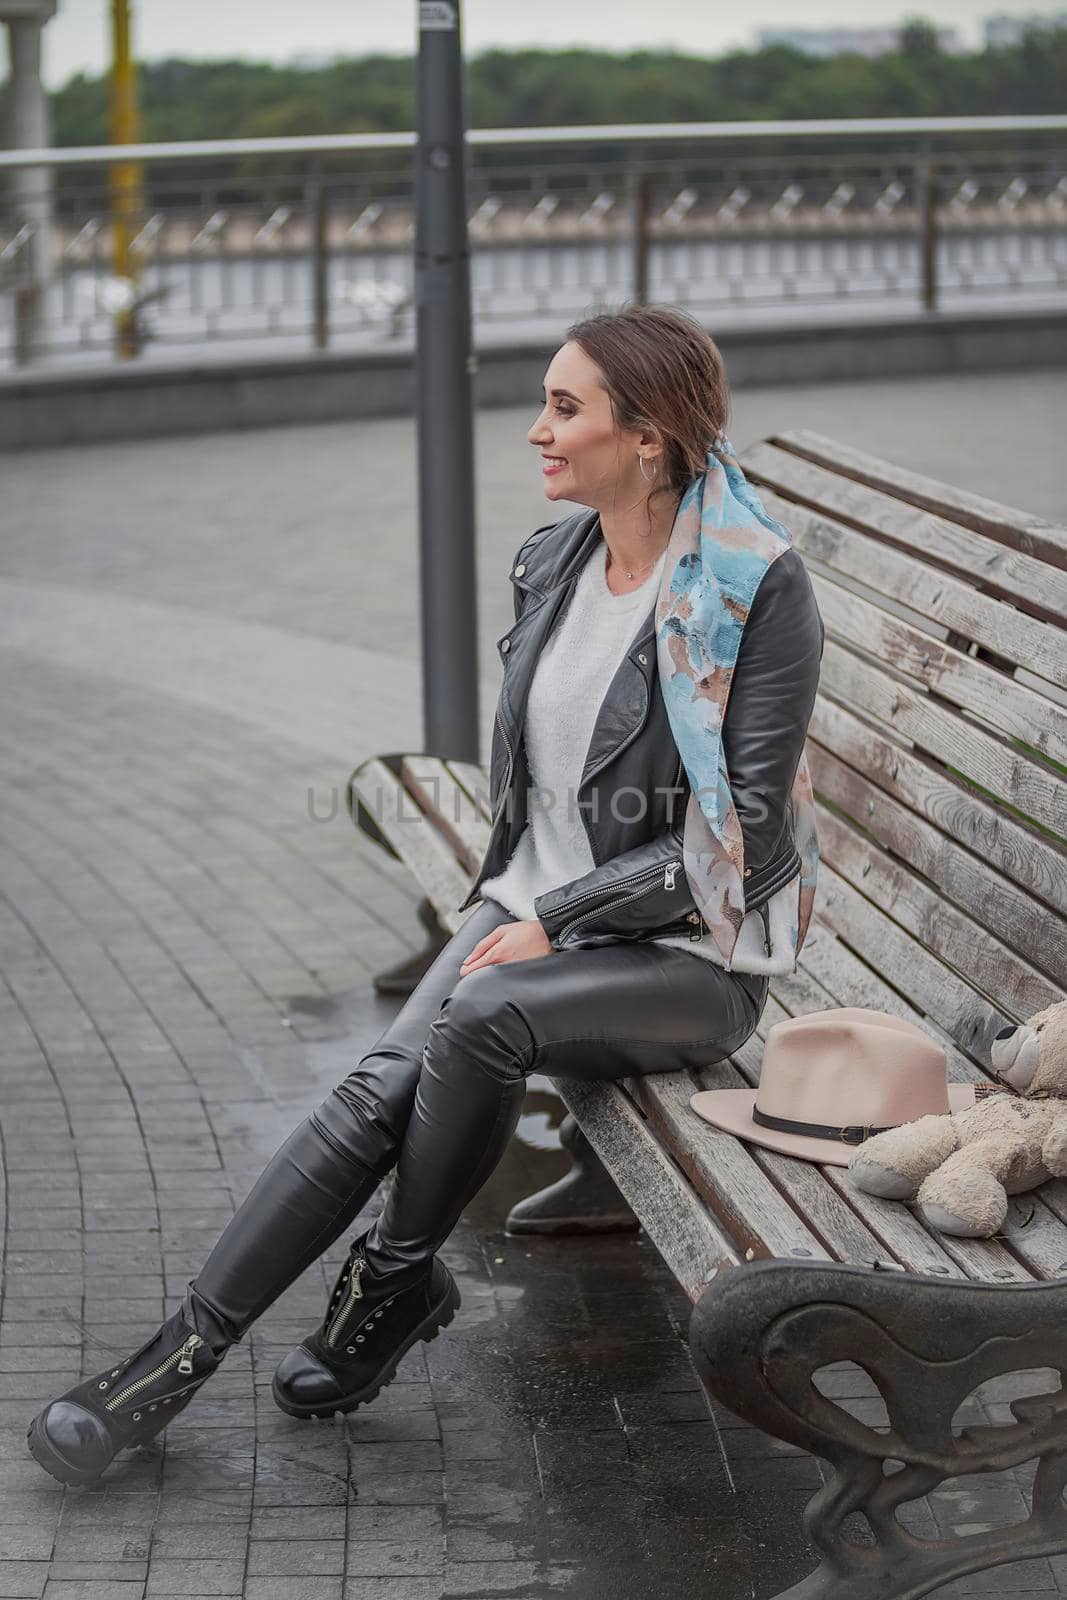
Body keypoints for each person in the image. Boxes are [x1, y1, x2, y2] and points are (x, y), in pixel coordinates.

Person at [26, 303, 824, 1487]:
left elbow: (740, 848)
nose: (535, 433)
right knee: (374, 1089)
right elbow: (544, 789)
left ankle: (393, 1282)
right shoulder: (553, 559)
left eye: (565, 408)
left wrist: (553, 919)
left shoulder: (754, 591)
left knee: (479, 1014)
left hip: (686, 960)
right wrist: (521, 909)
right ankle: (170, 1365)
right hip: (528, 915)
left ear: (648, 436)